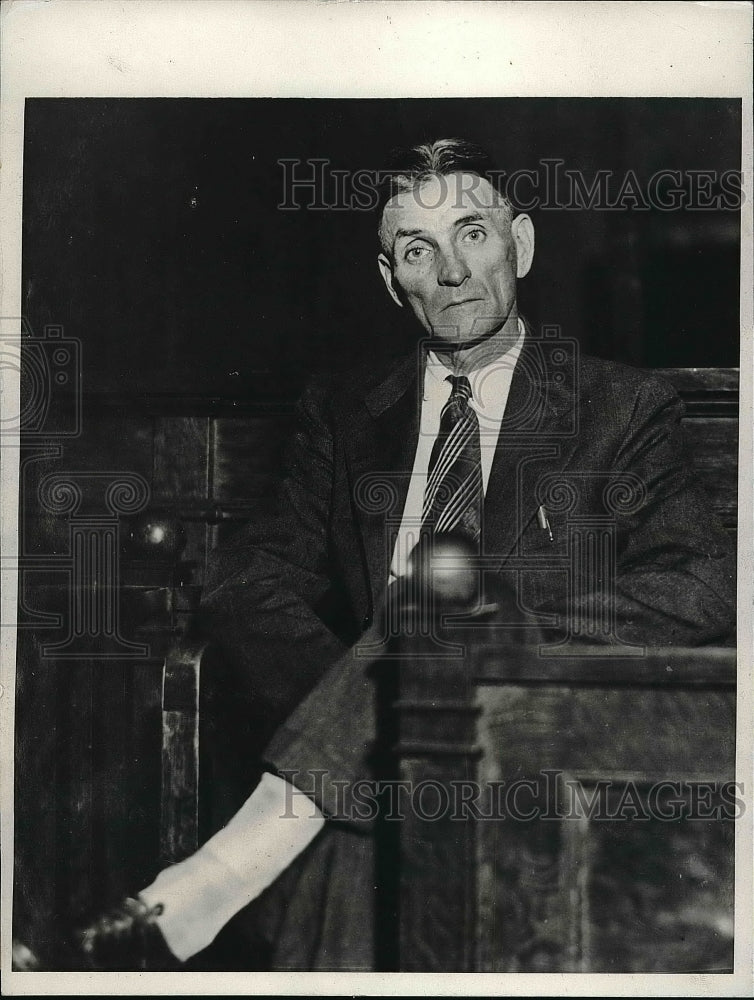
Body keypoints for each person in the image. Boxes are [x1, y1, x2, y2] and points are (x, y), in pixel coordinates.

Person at [76, 138, 736, 971]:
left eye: (473, 233)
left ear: (520, 245)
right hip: (376, 767)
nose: (452, 270)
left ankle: (215, 876)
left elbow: (703, 586)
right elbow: (249, 582)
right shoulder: (347, 413)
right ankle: (333, 790)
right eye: (419, 249)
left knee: (437, 614)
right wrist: (382, 723)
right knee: (373, 811)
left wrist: (482, 641)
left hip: (528, 746)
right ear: (393, 280)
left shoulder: (620, 406)